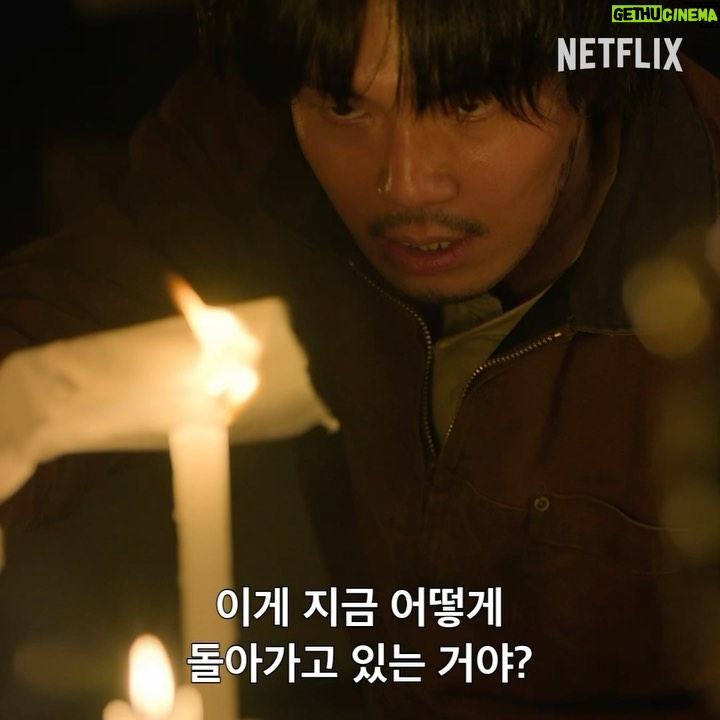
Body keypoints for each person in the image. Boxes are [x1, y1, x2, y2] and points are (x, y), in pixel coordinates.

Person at [2, 0, 720, 717]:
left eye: (468, 102)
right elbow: (70, 313)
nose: (404, 184)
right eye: (346, 107)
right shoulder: (255, 123)